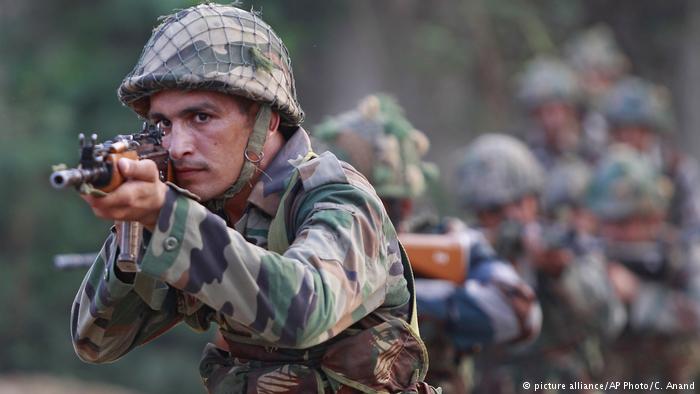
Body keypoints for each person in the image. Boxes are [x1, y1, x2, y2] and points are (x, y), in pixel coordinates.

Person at [70, 5, 437, 393]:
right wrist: (139, 226)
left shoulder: (335, 196)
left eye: (201, 117)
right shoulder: (207, 206)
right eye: (163, 123)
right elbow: (97, 342)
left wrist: (165, 216)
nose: (177, 146)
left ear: (268, 119)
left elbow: (304, 310)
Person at [314, 95, 541, 393]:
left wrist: (405, 294)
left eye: (362, 201)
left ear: (403, 206)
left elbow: (520, 315)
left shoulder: (447, 242)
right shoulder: (304, 244)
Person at [455, 134, 620, 393]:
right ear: (477, 212)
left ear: (536, 200)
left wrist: (561, 273)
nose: (511, 217)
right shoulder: (466, 250)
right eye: (495, 210)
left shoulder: (568, 245)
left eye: (520, 203)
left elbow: (610, 318)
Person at [585, 145, 700, 390]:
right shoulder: (590, 256)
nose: (616, 233)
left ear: (655, 218)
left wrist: (639, 295)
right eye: (609, 222)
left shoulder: (681, 256)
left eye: (627, 221)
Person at [602, 76, 700, 233]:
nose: (627, 137)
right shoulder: (604, 169)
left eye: (637, 130)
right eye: (620, 130)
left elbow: (695, 224)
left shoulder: (678, 170)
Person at [516, 56, 602, 169]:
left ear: (571, 111)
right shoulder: (531, 153)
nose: (547, 120)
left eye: (552, 111)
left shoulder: (595, 142)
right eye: (538, 113)